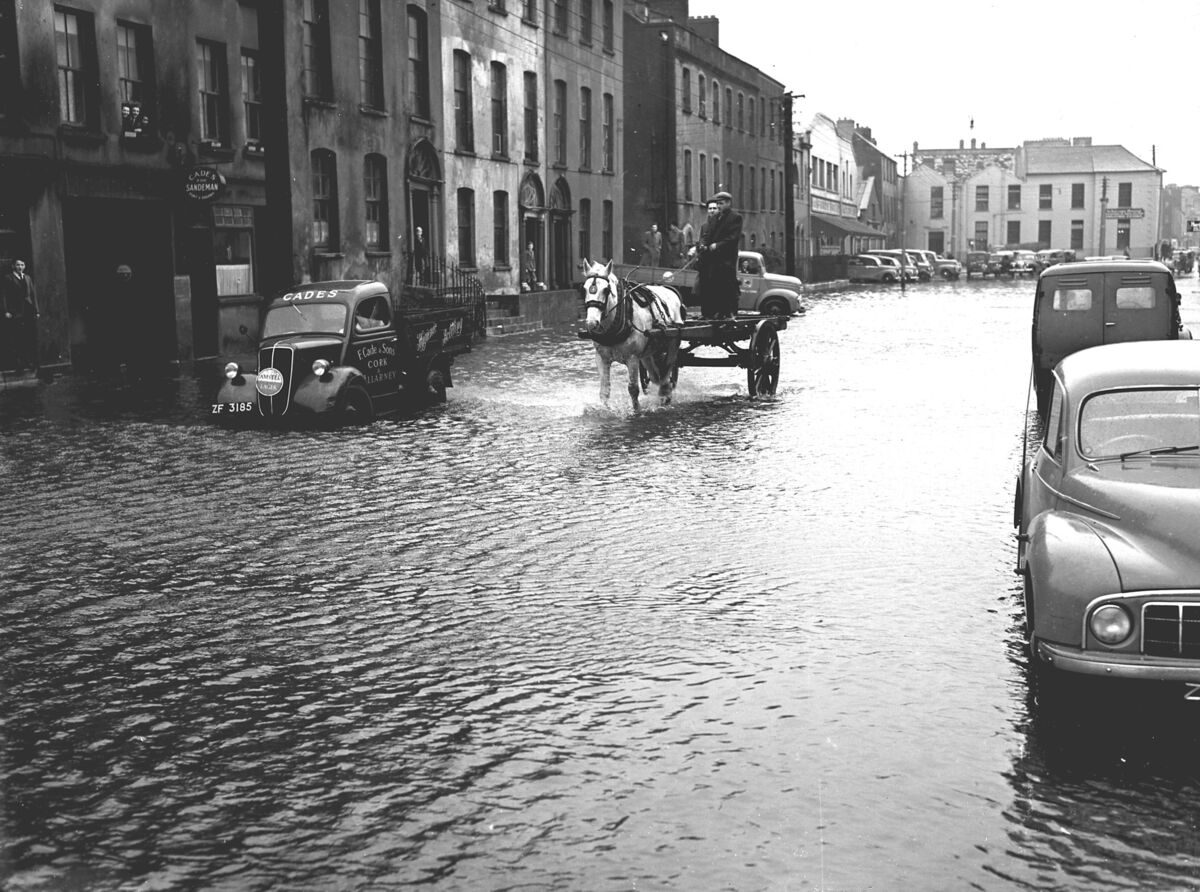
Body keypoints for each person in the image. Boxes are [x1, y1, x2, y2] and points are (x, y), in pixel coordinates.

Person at [689, 191, 743, 318]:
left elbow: (733, 238)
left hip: (726, 259)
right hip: (711, 260)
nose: (718, 207)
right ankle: (709, 313)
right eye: (717, 204)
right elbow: (706, 236)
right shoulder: (714, 219)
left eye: (721, 203)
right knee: (708, 286)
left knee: (725, 287)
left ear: (728, 203)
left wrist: (717, 245)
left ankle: (727, 313)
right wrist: (703, 245)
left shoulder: (735, 218)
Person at [1, 258, 39, 372]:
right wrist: (6, 311)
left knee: (28, 337)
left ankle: (29, 362)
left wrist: (36, 310)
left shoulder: (27, 278)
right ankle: (18, 364)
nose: (20, 267)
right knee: (16, 337)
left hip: (28, 311)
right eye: (18, 265)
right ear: (13, 266)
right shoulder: (7, 278)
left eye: (22, 264)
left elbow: (33, 295)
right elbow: (3, 296)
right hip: (15, 312)